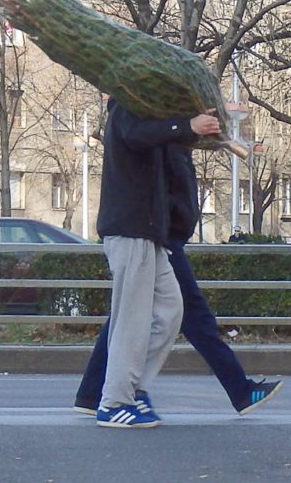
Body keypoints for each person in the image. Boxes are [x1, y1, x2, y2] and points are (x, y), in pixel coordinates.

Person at [75, 129, 283, 418]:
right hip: (158, 234)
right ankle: (238, 390)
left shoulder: (165, 134)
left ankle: (93, 394)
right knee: (188, 316)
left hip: (158, 234)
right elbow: (161, 181)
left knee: (137, 314)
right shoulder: (154, 131)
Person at [89, 97, 221, 429]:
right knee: (132, 320)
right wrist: (188, 125)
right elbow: (138, 135)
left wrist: (191, 125)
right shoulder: (126, 106)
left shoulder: (147, 114)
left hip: (149, 232)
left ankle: (134, 390)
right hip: (130, 229)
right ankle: (114, 402)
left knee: (170, 310)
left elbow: (160, 140)